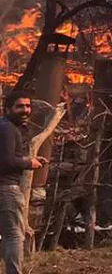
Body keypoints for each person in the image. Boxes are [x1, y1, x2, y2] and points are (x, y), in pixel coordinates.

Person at [0, 91, 45, 274]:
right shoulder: (9, 129)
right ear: (8, 108)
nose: (25, 110)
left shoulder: (3, 127)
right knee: (14, 236)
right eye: (20, 106)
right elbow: (7, 162)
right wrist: (29, 162)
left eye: (28, 106)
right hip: (6, 189)